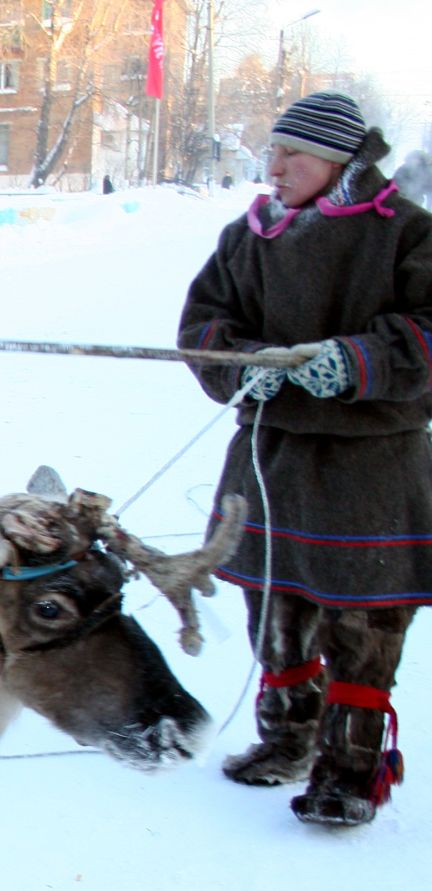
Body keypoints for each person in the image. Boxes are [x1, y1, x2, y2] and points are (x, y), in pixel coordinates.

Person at [178, 90, 432, 828]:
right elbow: (204, 322)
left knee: (364, 624)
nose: (275, 165)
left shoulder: (406, 234)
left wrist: (358, 361)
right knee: (274, 611)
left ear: (337, 159)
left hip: (371, 471)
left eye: (293, 154)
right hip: (272, 456)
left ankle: (350, 772)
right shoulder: (247, 236)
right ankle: (286, 738)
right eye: (274, 150)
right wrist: (242, 362)